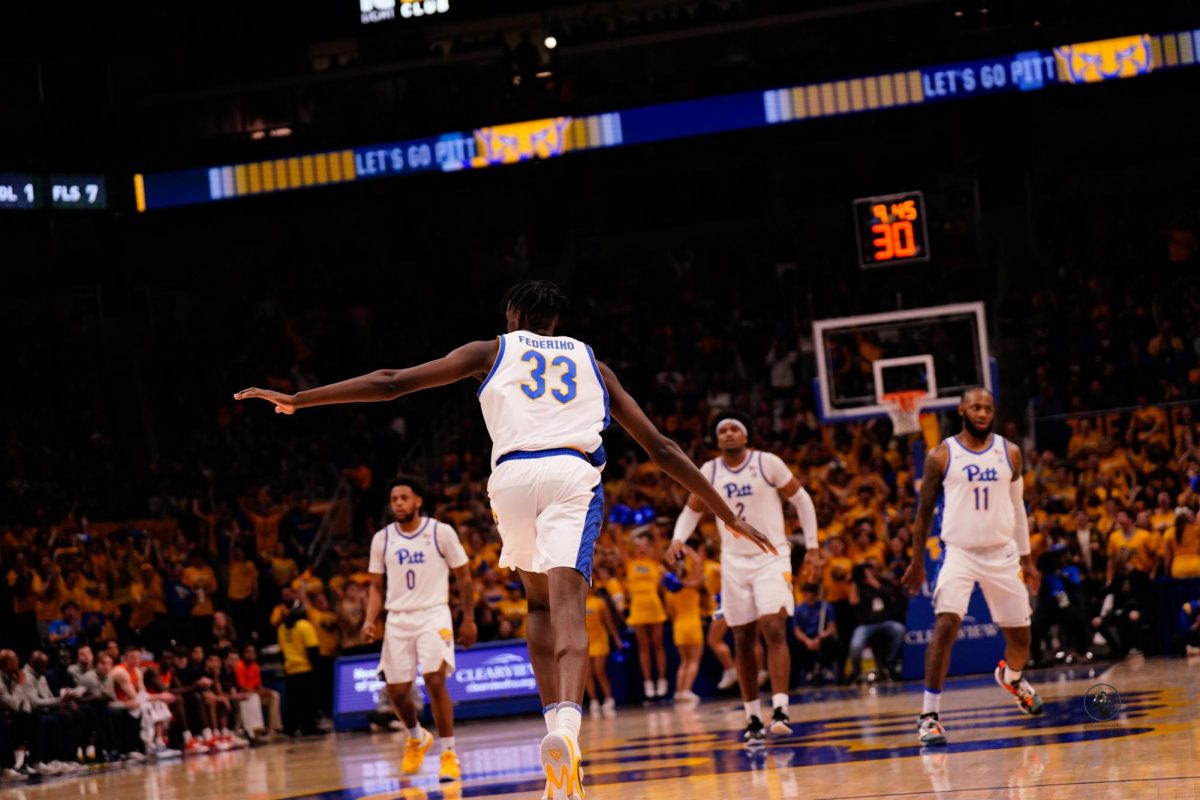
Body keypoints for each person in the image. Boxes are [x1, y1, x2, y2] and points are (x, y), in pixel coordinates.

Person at [236, 279, 773, 800]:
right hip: (571, 473)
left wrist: (301, 399)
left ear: (512, 317)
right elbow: (661, 447)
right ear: (555, 321)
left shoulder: (490, 349)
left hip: (511, 479)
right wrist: (727, 514)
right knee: (569, 605)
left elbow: (394, 380)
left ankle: (552, 742)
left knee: (537, 605)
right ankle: (567, 730)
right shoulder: (594, 363)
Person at [902, 387, 1043, 747]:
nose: (982, 412)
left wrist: (1027, 560)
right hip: (959, 552)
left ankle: (1011, 678)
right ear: (962, 410)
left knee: (1021, 639)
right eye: (976, 406)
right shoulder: (940, 455)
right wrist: (917, 561)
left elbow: (1018, 511)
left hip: (1002, 554)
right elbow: (922, 514)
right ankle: (929, 716)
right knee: (946, 624)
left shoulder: (1010, 453)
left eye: (988, 408)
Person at [669, 415, 818, 743]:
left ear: (746, 435)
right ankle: (752, 717)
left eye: (735, 428)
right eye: (722, 430)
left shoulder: (767, 463)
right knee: (742, 638)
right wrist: (678, 538)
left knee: (774, 626)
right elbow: (692, 511)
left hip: (771, 555)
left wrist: (812, 546)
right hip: (733, 562)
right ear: (717, 439)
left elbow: (802, 499)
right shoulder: (709, 471)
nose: (729, 433)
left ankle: (780, 709)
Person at [361, 478, 476, 783]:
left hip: (433, 614)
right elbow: (375, 586)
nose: (398, 503)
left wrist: (468, 618)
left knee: (434, 680)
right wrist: (370, 619)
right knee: (397, 692)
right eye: (394, 498)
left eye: (404, 497)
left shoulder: (440, 532)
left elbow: (464, 577)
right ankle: (416, 737)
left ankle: (449, 754)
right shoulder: (382, 539)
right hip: (397, 618)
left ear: (418, 501)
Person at [624, 534, 669, 700]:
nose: (642, 548)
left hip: (653, 604)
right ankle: (648, 682)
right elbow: (622, 546)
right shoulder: (630, 563)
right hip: (637, 606)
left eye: (645, 545)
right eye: (639, 546)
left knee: (657, 645)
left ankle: (662, 679)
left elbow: (658, 548)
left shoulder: (655, 563)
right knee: (643, 647)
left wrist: (653, 530)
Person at [663, 542, 705, 704]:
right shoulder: (692, 586)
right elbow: (699, 564)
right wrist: (688, 549)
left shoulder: (670, 593)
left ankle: (679, 691)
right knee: (694, 660)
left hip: (678, 627)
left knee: (684, 661)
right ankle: (686, 690)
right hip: (693, 625)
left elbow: (671, 613)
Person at [583, 583, 623, 716]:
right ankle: (594, 700)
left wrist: (616, 638)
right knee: (587, 673)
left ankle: (608, 698)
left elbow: (608, 622)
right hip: (585, 641)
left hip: (600, 639)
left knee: (600, 670)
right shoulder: (577, 602)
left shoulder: (599, 602)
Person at [792, 584, 838, 685]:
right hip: (806, 637)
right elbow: (797, 630)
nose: (807, 595)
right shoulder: (798, 609)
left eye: (810, 593)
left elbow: (831, 627)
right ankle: (807, 671)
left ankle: (827, 668)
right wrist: (807, 641)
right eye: (805, 593)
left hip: (821, 636)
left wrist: (821, 637)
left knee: (831, 643)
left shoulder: (825, 606)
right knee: (796, 647)